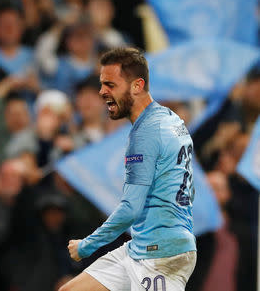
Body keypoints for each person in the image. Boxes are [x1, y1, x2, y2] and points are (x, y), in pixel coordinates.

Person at [62, 48, 196, 291]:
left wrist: (87, 245)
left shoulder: (146, 134)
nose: (102, 92)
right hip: (144, 245)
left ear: (137, 86)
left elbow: (130, 209)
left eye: (110, 85)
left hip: (160, 255)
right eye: (102, 85)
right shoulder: (172, 120)